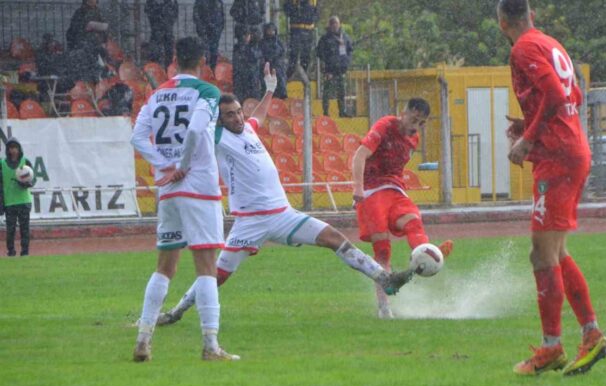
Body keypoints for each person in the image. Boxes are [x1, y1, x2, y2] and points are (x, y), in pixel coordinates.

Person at [156, 65, 414, 326]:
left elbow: (259, 116)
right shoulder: (217, 135)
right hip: (250, 220)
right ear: (220, 120)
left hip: (282, 214)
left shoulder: (248, 128)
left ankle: (385, 279)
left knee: (334, 238)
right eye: (229, 116)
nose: (237, 118)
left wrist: (269, 90)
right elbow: (192, 132)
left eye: (238, 113)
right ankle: (176, 312)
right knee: (217, 274)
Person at [497, 0, 606, 376]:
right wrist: (529, 124)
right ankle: (591, 335)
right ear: (532, 15)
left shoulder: (523, 47)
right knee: (556, 252)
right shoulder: (550, 43)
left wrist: (528, 139)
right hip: (571, 149)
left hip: (558, 157)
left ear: (502, 23)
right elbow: (570, 98)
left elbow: (557, 96)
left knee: (542, 256)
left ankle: (551, 348)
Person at [130, 36, 238, 362]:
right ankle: (210, 345)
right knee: (206, 267)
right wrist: (183, 165)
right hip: (198, 188)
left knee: (164, 267)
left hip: (168, 191)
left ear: (174, 61)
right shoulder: (207, 92)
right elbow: (194, 130)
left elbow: (136, 137)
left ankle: (143, 339)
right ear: (203, 61)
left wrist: (164, 165)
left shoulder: (158, 93)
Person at [351, 98, 453, 318]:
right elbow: (360, 155)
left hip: (395, 190)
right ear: (403, 112)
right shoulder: (385, 125)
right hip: (370, 191)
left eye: (421, 123)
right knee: (383, 250)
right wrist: (357, 189)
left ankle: (426, 254)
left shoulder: (413, 139)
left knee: (414, 222)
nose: (416, 126)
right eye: (414, 119)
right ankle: (384, 306)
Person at [0, 138, 35, 257]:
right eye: (10, 148)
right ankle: (11, 252)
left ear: (19, 149)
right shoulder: (2, 164)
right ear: (7, 150)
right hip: (10, 202)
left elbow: (33, 179)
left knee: (24, 229)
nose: (13, 150)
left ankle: (25, 252)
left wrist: (26, 184)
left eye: (15, 147)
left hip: (24, 201)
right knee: (10, 230)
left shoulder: (25, 162)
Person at [316, 16, 352, 117]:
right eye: (332, 23)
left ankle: (342, 111)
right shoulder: (325, 38)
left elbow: (350, 50)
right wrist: (326, 67)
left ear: (339, 24)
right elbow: (319, 53)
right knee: (327, 92)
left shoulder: (345, 37)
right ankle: (326, 112)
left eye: (336, 23)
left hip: (341, 69)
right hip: (330, 70)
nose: (335, 25)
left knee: (342, 92)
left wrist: (347, 61)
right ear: (330, 25)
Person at [66, 0, 109, 82]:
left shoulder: (99, 12)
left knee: (99, 69)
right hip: (85, 46)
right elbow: (75, 30)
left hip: (96, 47)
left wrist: (103, 40)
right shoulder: (80, 12)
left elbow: (105, 30)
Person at [283, 0, 319, 79]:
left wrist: (312, 19)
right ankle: (289, 75)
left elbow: (317, 12)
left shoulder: (314, 1)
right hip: (296, 30)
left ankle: (304, 75)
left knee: (306, 56)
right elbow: (287, 10)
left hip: (308, 31)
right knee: (294, 55)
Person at [233, 25, 264, 101]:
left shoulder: (254, 47)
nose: (248, 37)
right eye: (246, 35)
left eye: (248, 35)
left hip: (252, 78)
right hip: (244, 79)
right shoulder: (241, 48)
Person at [144, 0, 179, 69]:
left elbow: (148, 10)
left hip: (161, 30)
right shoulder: (167, 5)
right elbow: (175, 11)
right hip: (161, 29)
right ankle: (159, 68)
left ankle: (160, 69)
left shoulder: (155, 5)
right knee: (159, 52)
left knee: (164, 52)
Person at [259, 22, 288, 99]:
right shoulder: (262, 43)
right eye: (269, 30)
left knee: (280, 81)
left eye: (273, 30)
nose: (271, 32)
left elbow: (282, 52)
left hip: (277, 67)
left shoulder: (278, 42)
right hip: (266, 67)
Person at [193, 0, 225, 69]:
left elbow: (222, 15)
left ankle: (212, 70)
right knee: (205, 52)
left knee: (213, 51)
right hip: (205, 30)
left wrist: (220, 27)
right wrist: (201, 28)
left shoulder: (218, 1)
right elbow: (196, 16)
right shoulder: (200, 2)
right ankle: (206, 70)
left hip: (215, 31)